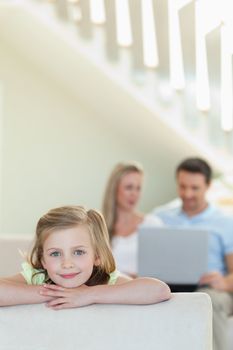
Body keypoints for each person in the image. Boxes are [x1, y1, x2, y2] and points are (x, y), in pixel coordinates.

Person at [0, 206, 170, 308]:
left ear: (97, 256)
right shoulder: (37, 277)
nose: (67, 264)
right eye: (55, 254)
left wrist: (89, 295)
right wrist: (57, 294)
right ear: (43, 260)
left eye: (79, 252)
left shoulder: (106, 281)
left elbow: (159, 290)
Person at [152, 157, 233, 350]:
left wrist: (224, 282)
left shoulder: (225, 222)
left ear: (208, 186)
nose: (187, 194)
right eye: (183, 186)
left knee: (206, 300)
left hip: (210, 288)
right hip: (168, 286)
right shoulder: (160, 217)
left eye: (195, 188)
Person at [102, 162, 162, 277]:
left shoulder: (152, 224)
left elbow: (162, 269)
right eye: (129, 188)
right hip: (108, 291)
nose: (134, 194)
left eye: (138, 188)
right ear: (115, 189)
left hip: (143, 290)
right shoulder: (98, 226)